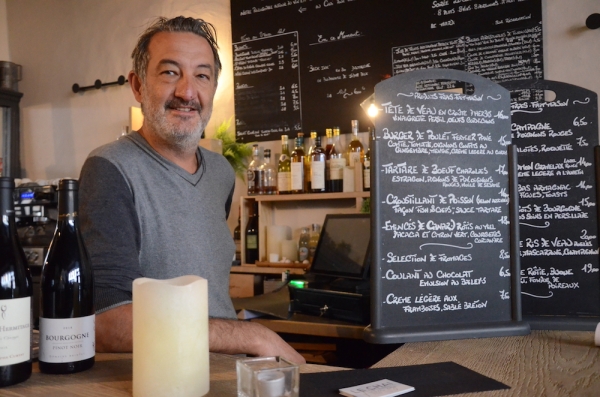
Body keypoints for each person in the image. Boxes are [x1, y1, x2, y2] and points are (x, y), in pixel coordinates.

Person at [78, 16, 305, 364]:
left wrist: (242, 339)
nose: (187, 92)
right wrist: (249, 334)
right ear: (138, 86)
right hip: (162, 379)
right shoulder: (110, 168)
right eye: (170, 72)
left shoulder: (220, 172)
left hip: (227, 372)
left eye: (202, 75)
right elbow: (107, 323)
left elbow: (211, 290)